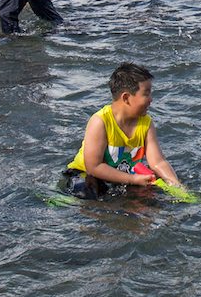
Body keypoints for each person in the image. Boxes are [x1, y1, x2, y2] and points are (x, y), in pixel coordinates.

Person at [62, 62, 181, 199]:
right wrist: (132, 179)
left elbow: (158, 162)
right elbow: (93, 167)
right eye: (146, 94)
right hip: (85, 175)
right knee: (88, 195)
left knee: (150, 198)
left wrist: (175, 184)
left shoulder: (146, 123)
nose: (151, 100)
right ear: (126, 98)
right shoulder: (100, 122)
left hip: (122, 176)